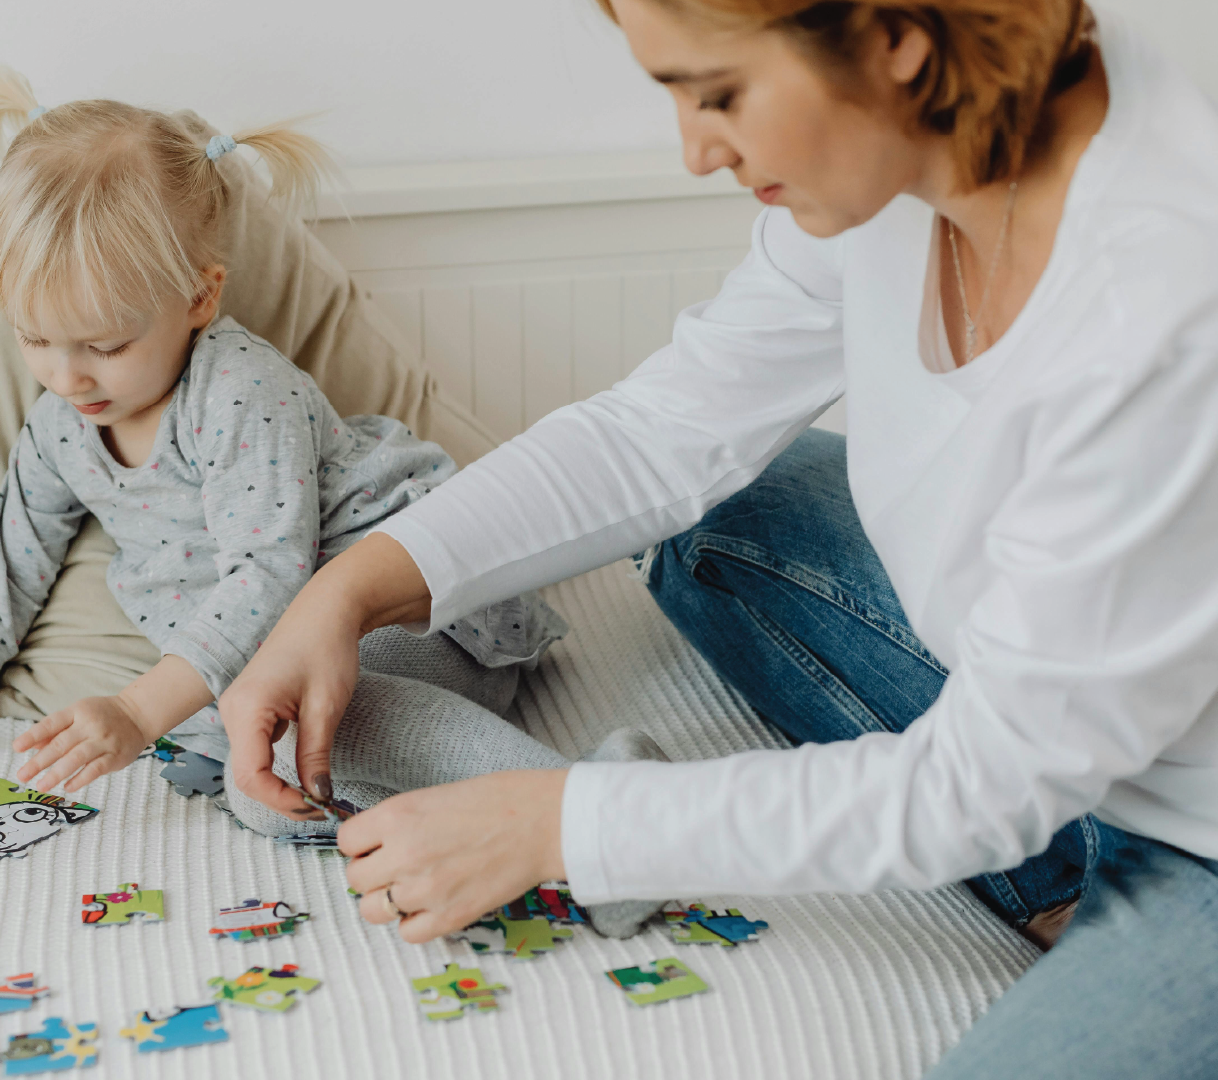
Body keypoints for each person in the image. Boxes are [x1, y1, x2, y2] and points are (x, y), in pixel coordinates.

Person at [217, 1, 1218, 1073]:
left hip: (1189, 830)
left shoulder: (1161, 297)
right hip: (1082, 721)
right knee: (730, 512)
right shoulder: (914, 141)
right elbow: (667, 430)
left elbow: (984, 783)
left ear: (895, 39)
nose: (696, 152)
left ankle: (1091, 902)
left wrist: (565, 822)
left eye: (721, 95)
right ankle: (1064, 877)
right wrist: (351, 588)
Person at [0, 66, 676, 932]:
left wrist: (140, 711)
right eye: (33, 339)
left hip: (401, 609)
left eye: (105, 343)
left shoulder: (242, 390)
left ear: (199, 297)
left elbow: (271, 575)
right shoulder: (59, 427)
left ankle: (590, 816)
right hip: (267, 674)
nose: (68, 375)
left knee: (289, 736)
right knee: (256, 796)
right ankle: (512, 811)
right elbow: (3, 571)